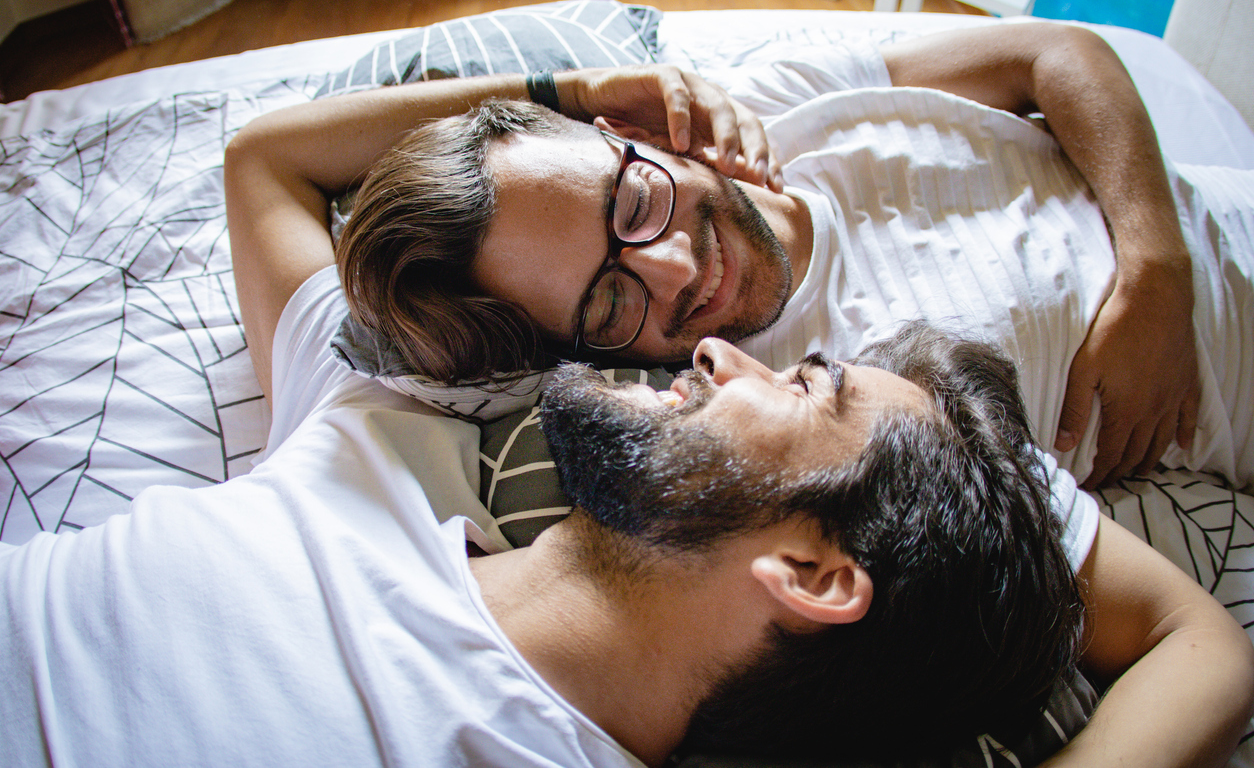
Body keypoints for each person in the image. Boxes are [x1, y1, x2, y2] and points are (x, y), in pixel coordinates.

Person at [2, 309, 1250, 767]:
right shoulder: (384, 429)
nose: (715, 349)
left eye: (807, 380)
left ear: (814, 573)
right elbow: (271, 160)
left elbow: (1201, 640)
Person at [233, 21, 1251, 492]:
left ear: (634, 133)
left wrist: (1153, 263)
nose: (673, 270)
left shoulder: (775, 98)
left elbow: (1056, 55)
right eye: (610, 304)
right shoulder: (815, 405)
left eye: (632, 201)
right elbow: (271, 162)